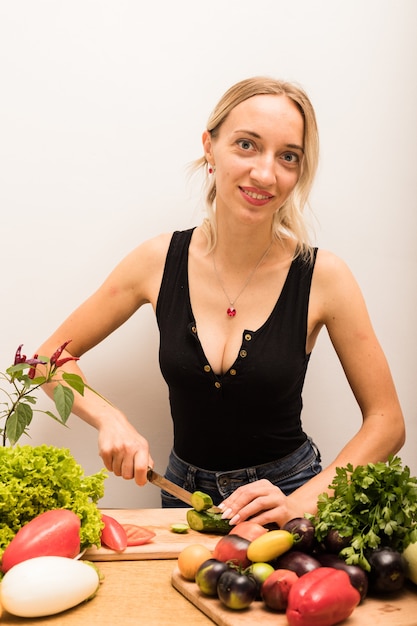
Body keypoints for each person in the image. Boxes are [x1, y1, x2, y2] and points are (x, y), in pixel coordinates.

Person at [36, 76, 405, 527]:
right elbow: (47, 361)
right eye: (247, 145)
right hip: (182, 499)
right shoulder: (156, 261)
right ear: (209, 146)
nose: (266, 173)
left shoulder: (323, 276)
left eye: (288, 156)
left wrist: (300, 502)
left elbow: (387, 423)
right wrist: (108, 417)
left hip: (287, 497)